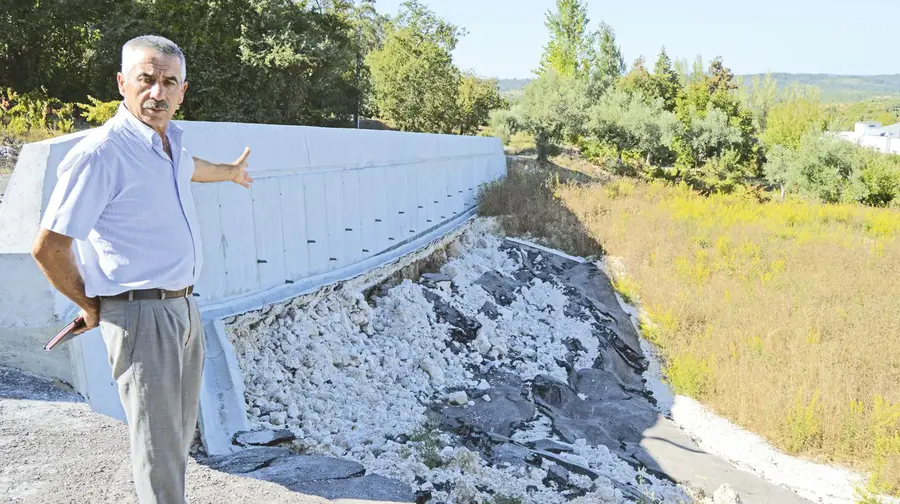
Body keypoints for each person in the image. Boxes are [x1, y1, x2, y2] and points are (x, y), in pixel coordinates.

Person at [30, 35, 254, 504]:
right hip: (139, 316)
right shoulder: (102, 154)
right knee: (157, 449)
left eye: (169, 82)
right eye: (146, 79)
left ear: (182, 91)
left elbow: (196, 169)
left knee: (174, 439)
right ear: (122, 83)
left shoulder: (169, 145)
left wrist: (231, 172)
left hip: (182, 308)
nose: (157, 92)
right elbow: (49, 247)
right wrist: (90, 305)